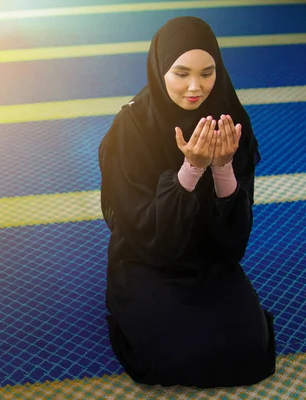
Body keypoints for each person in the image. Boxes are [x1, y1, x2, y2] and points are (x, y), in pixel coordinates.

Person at [98, 16, 276, 388]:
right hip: (146, 259)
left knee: (248, 350)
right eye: (181, 73)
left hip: (208, 257)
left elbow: (234, 241)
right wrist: (191, 170)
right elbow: (144, 232)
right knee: (177, 355)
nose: (196, 87)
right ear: (161, 68)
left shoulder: (230, 119)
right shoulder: (132, 128)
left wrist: (224, 167)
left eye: (207, 73)